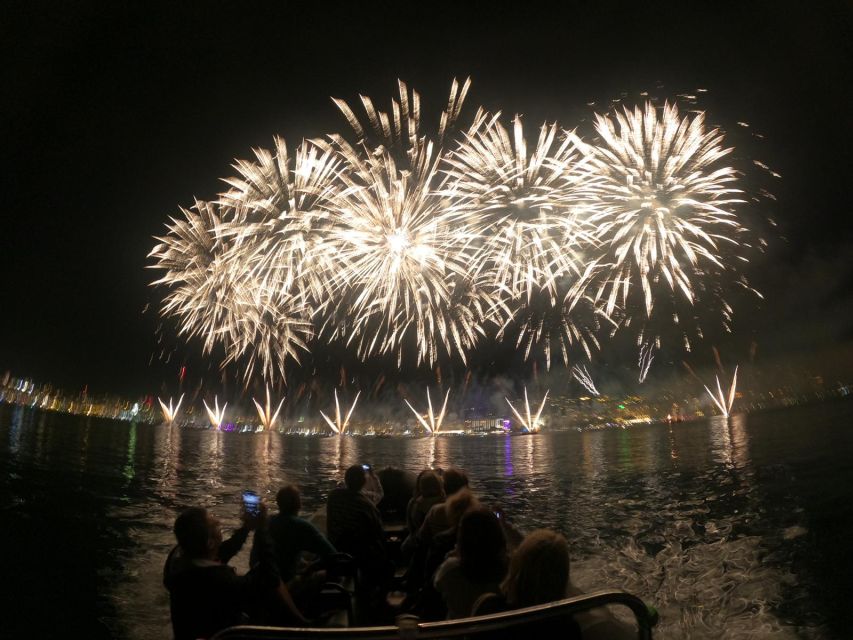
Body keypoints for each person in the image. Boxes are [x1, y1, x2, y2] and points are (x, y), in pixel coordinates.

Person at [163, 503, 284, 640]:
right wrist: (262, 529)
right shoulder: (225, 582)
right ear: (210, 543)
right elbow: (271, 578)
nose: (219, 521)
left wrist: (246, 528)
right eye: (214, 525)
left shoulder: (177, 562)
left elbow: (221, 552)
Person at [326, 465, 392, 591]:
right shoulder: (367, 504)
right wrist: (374, 476)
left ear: (346, 479)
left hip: (336, 547)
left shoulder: (333, 497)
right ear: (363, 482)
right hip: (359, 553)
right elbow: (378, 533)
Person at [434, 508, 508, 619]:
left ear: (462, 536)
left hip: (459, 631)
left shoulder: (450, 570)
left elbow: (437, 585)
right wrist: (505, 526)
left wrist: (452, 557)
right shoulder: (511, 570)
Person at [265, 484, 336, 584]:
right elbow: (332, 554)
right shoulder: (301, 526)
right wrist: (312, 567)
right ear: (299, 505)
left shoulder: (268, 522)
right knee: (327, 573)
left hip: (264, 582)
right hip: (287, 585)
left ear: (278, 503)